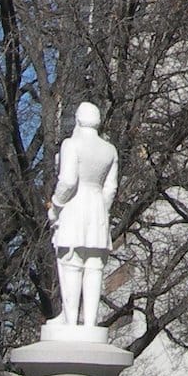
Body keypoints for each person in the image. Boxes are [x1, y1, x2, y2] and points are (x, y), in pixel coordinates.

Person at [48, 102, 118, 330]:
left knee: (72, 261)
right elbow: (111, 188)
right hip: (97, 207)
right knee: (95, 265)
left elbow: (68, 181)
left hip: (75, 207)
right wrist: (102, 210)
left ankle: (70, 321)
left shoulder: (71, 144)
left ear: (78, 120)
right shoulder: (110, 150)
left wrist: (56, 205)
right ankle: (89, 323)